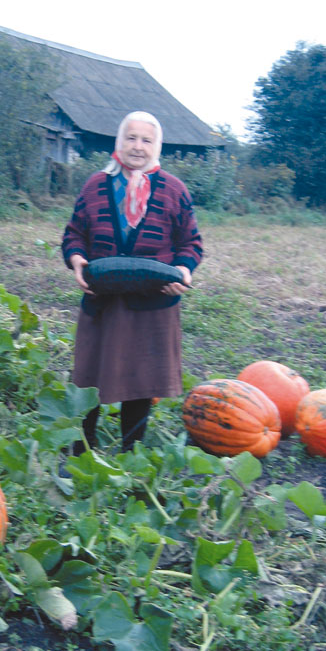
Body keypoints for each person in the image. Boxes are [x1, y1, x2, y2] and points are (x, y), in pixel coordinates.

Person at [61, 110, 203, 454]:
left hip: (153, 300)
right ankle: (82, 447)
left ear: (157, 147)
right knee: (90, 375)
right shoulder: (95, 185)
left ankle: (131, 451)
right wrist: (78, 260)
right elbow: (74, 234)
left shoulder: (174, 190)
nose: (138, 146)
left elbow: (191, 243)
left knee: (143, 377)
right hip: (103, 298)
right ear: (119, 142)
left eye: (146, 140)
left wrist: (182, 272)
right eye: (131, 138)